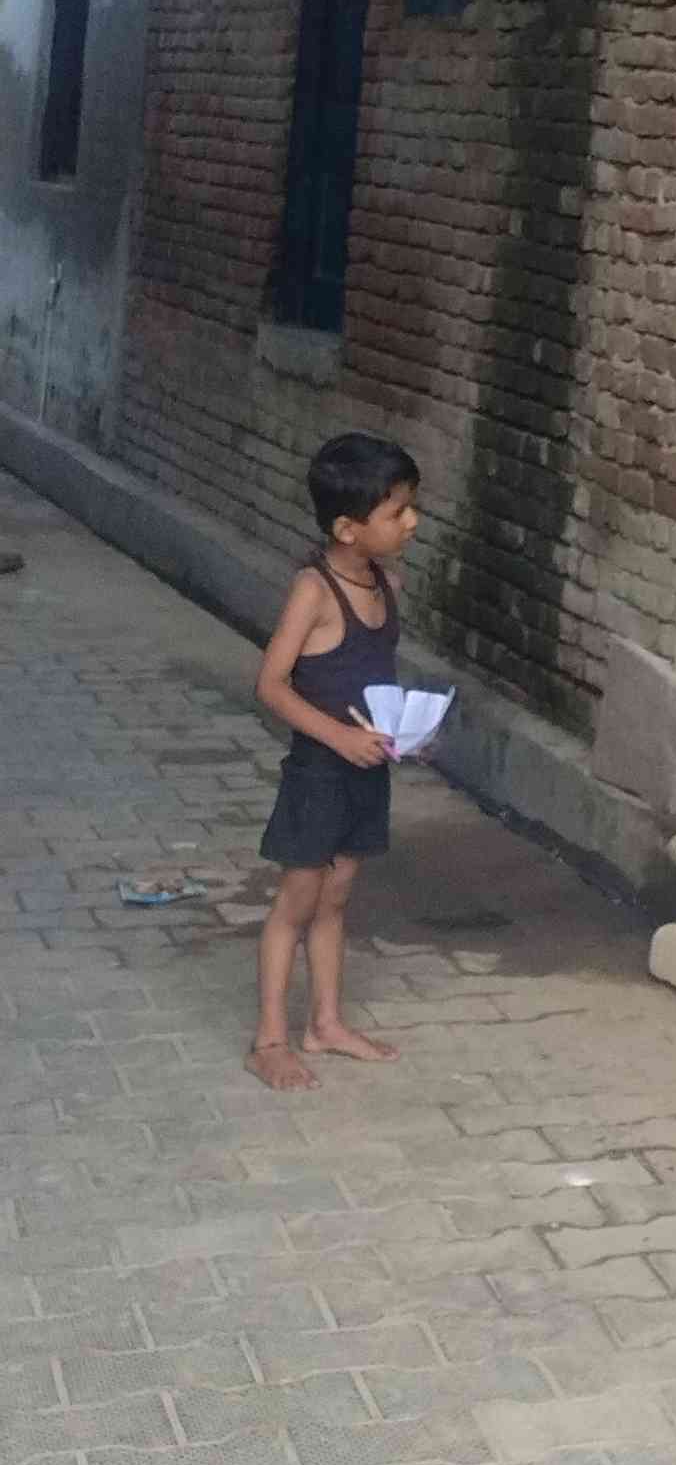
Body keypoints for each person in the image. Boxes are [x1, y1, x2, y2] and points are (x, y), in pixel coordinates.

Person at [247, 431, 419, 1090]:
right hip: (318, 776)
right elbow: (271, 684)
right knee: (297, 901)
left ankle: (325, 1024)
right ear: (348, 528)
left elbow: (370, 680)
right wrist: (339, 738)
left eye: (410, 506)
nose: (412, 521)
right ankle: (269, 1040)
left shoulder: (385, 582)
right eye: (397, 511)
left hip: (365, 774)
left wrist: (404, 731)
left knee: (337, 898)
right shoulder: (314, 591)